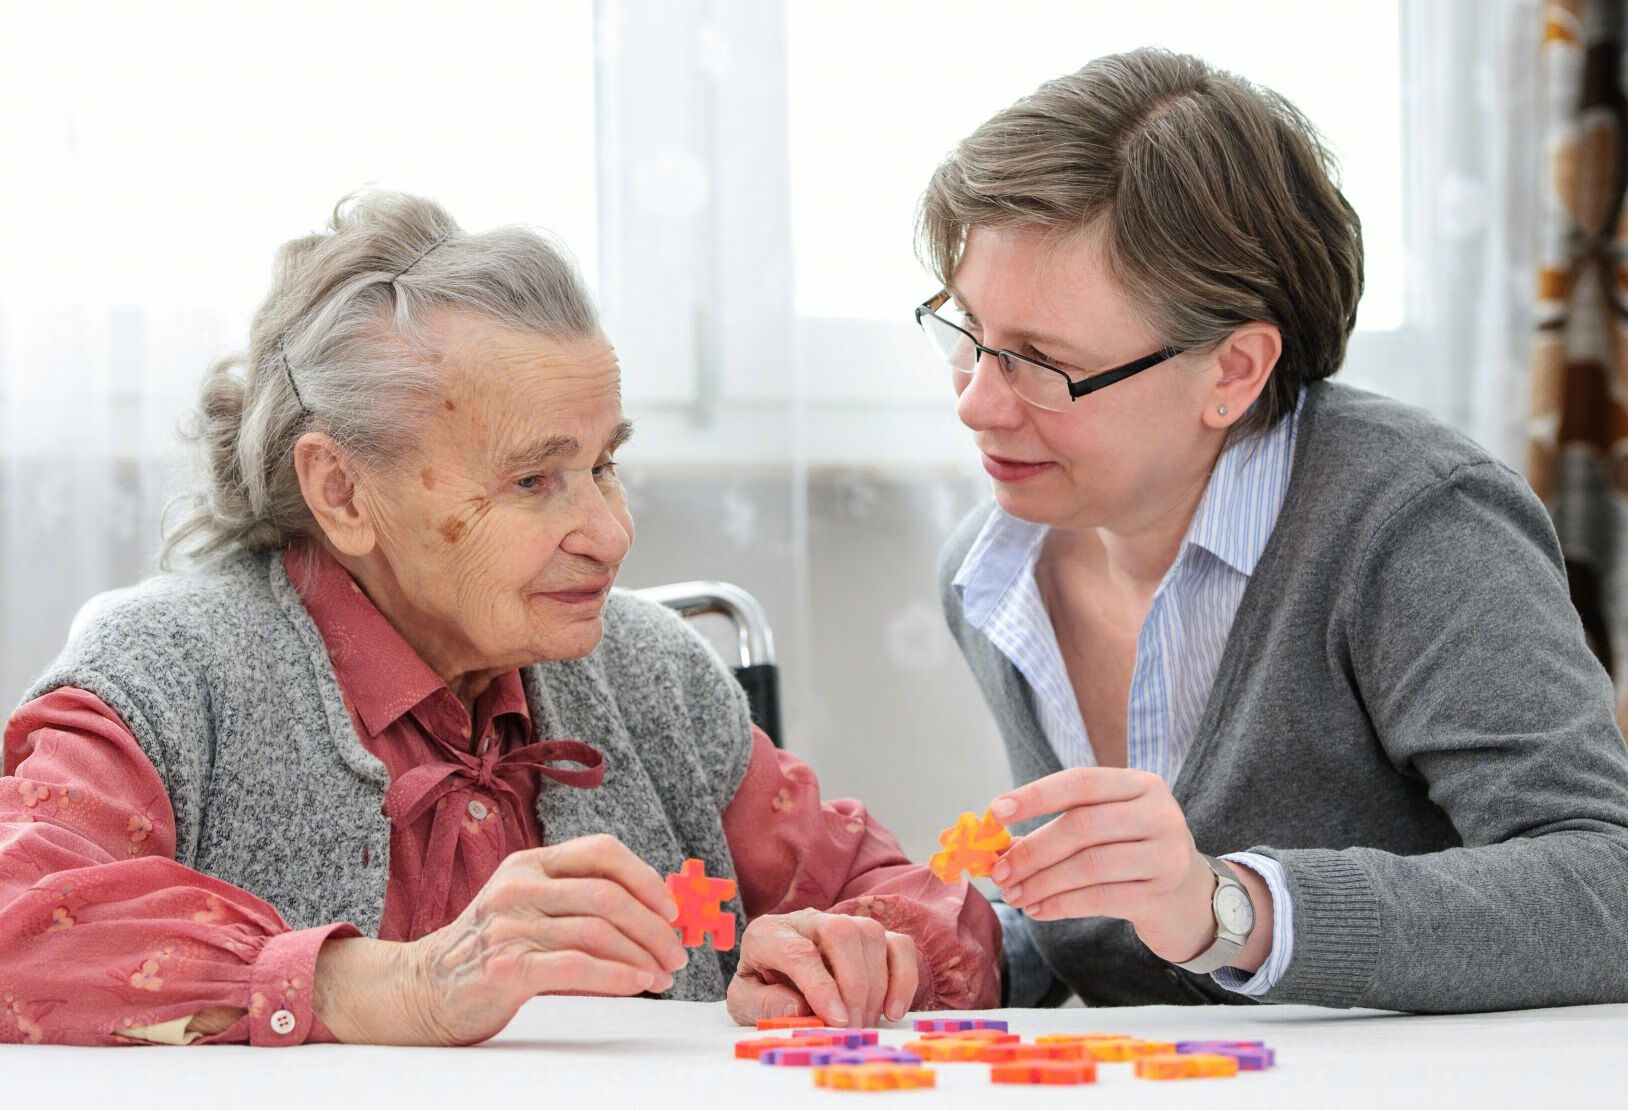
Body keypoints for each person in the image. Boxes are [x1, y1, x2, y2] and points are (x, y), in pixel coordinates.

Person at [0, 192, 998, 1047]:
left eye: (604, 464)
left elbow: (929, 911)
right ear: (342, 492)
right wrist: (384, 985)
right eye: (533, 479)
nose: (610, 532)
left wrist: (860, 957)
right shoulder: (169, 674)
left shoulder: (647, 673)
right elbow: (17, 919)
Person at [918, 48, 1628, 1011]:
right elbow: (1124, 936)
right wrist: (944, 954)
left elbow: (1605, 890)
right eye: (967, 333)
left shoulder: (1416, 525)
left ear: (1233, 372)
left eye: (1040, 362)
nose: (975, 404)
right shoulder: (991, 572)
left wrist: (1231, 906)